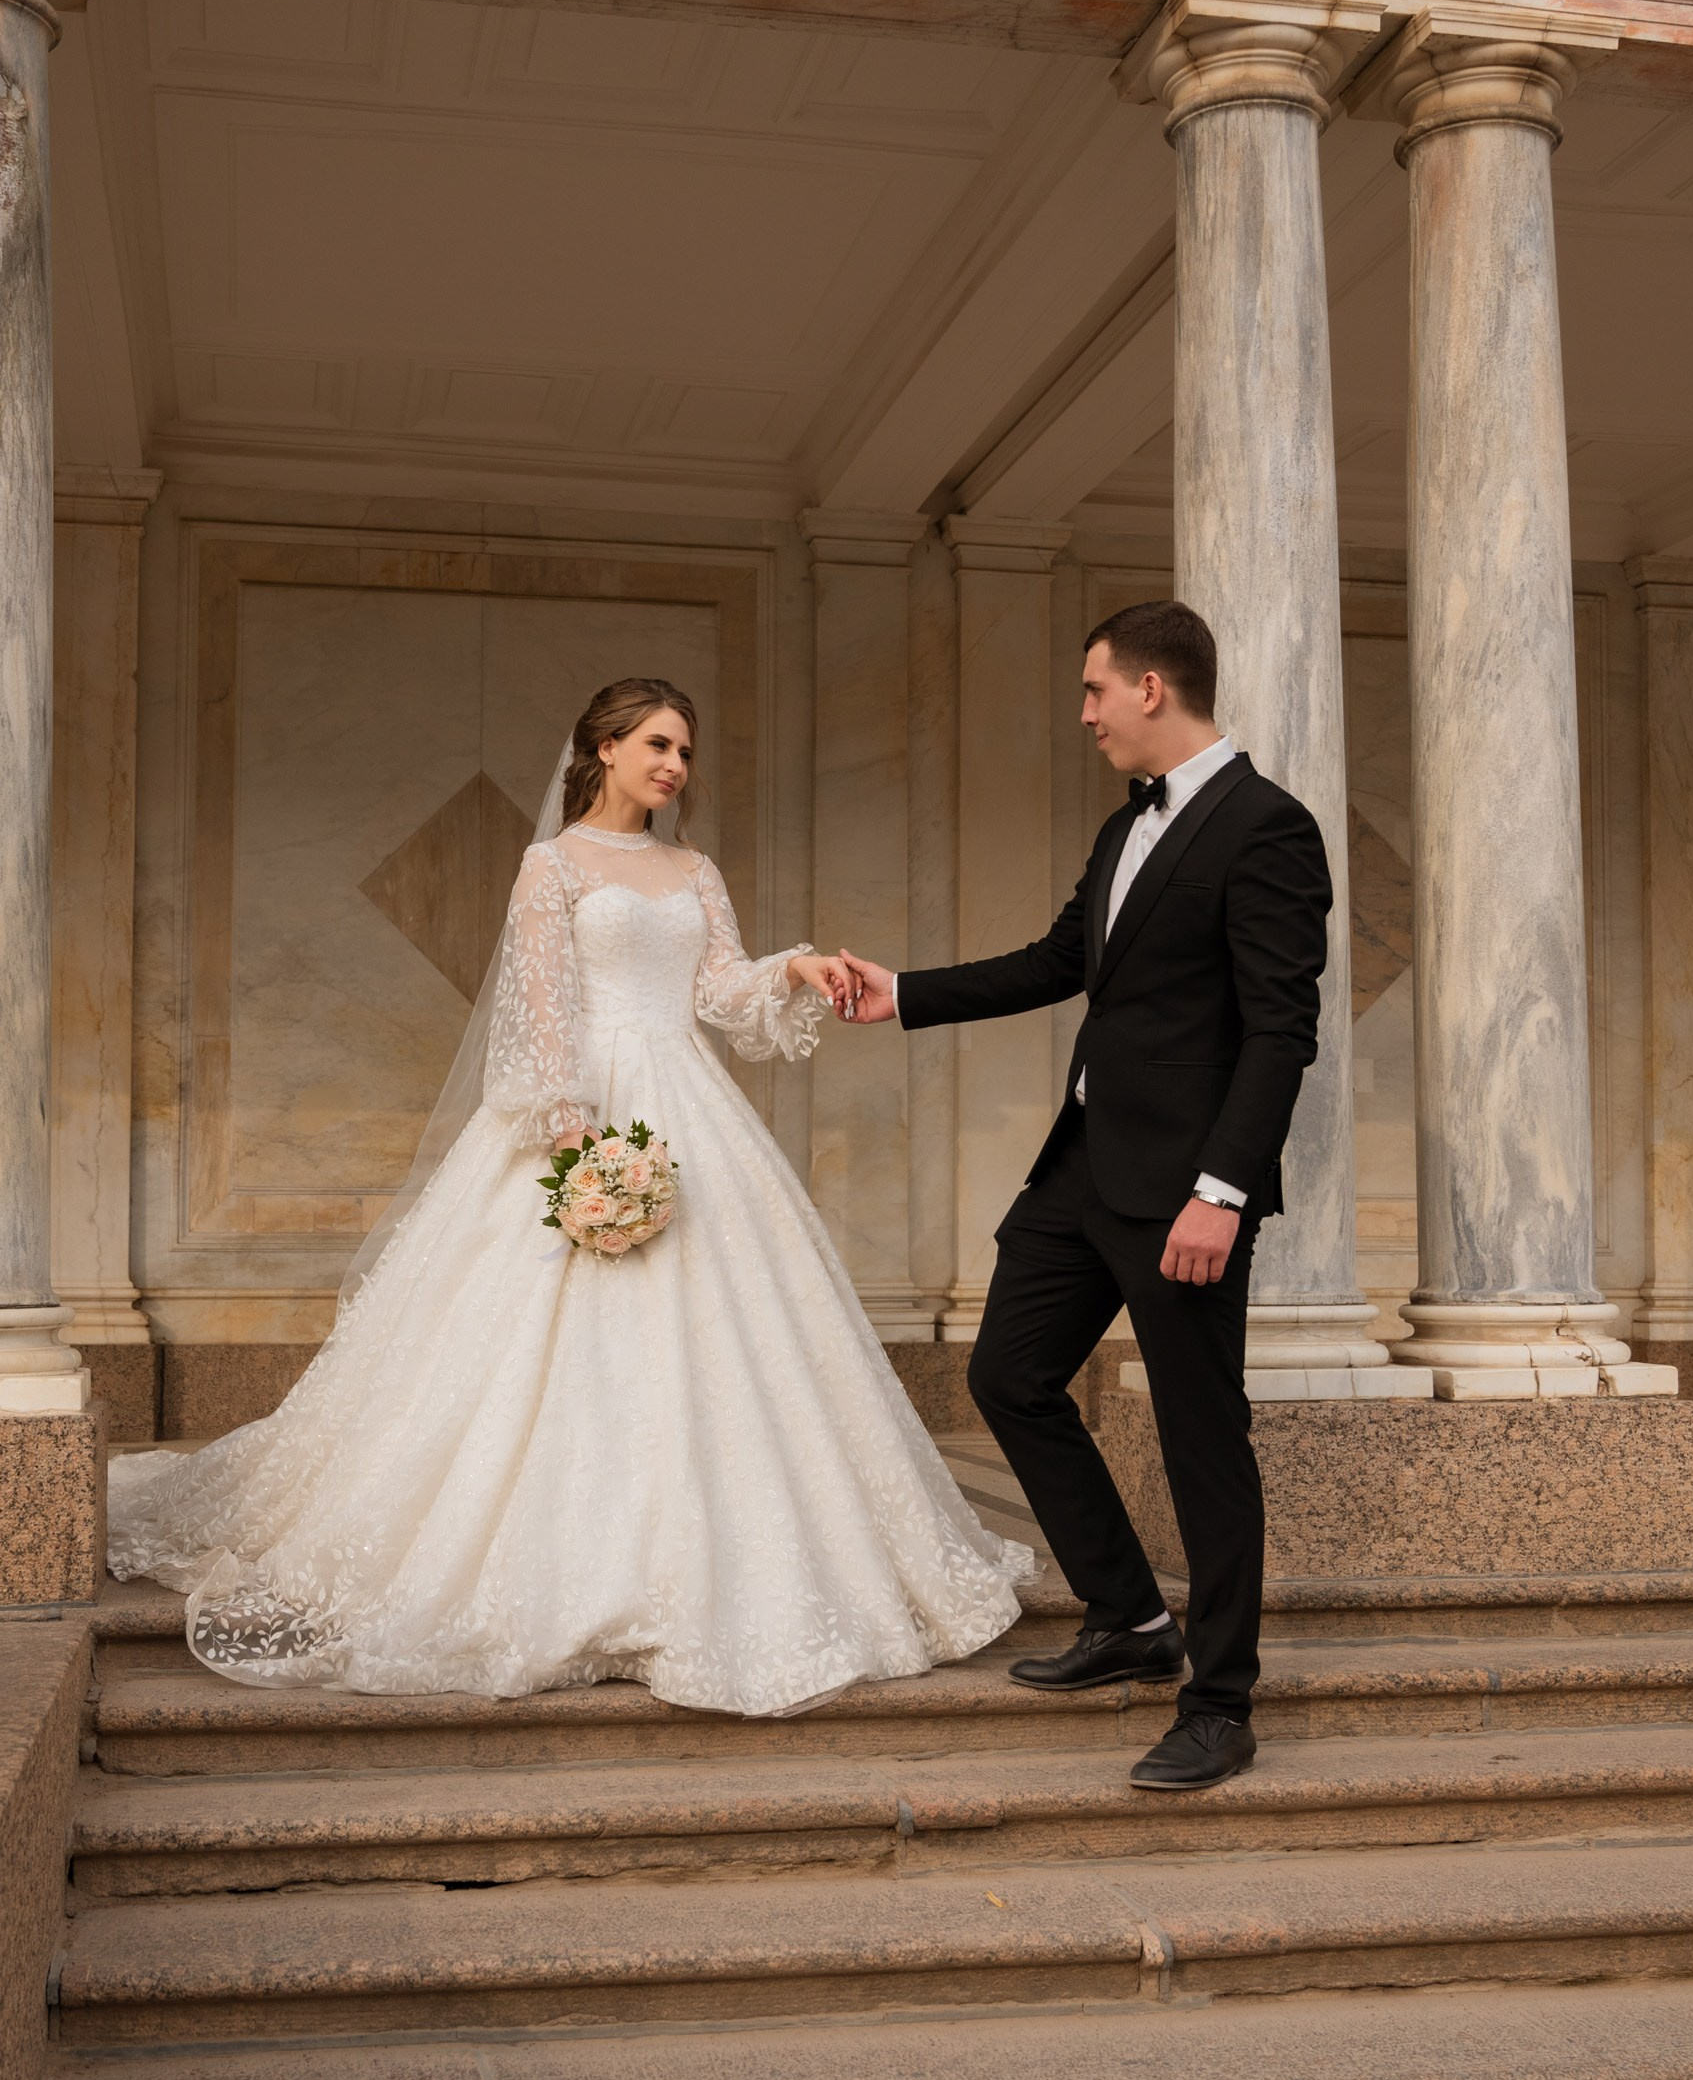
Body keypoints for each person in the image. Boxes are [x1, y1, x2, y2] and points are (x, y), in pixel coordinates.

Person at [108, 677, 1032, 1713]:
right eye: (655, 742)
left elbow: (715, 992)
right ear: (601, 747)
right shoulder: (550, 865)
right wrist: (573, 1139)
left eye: (683, 747)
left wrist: (793, 968)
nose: (674, 764)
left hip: (688, 1097)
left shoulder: (694, 867)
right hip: (584, 1106)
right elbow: (539, 1003)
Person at [839, 600, 1330, 1792]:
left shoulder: (1268, 827)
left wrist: (1221, 1190)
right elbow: (1062, 962)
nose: (1084, 714)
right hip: (1080, 1163)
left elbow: (1280, 1030)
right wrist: (901, 992)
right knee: (1008, 1372)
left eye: (1093, 691)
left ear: (1151, 688)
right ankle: (1127, 1616)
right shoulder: (1126, 829)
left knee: (1201, 1438)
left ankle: (1218, 1702)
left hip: (1183, 1191)